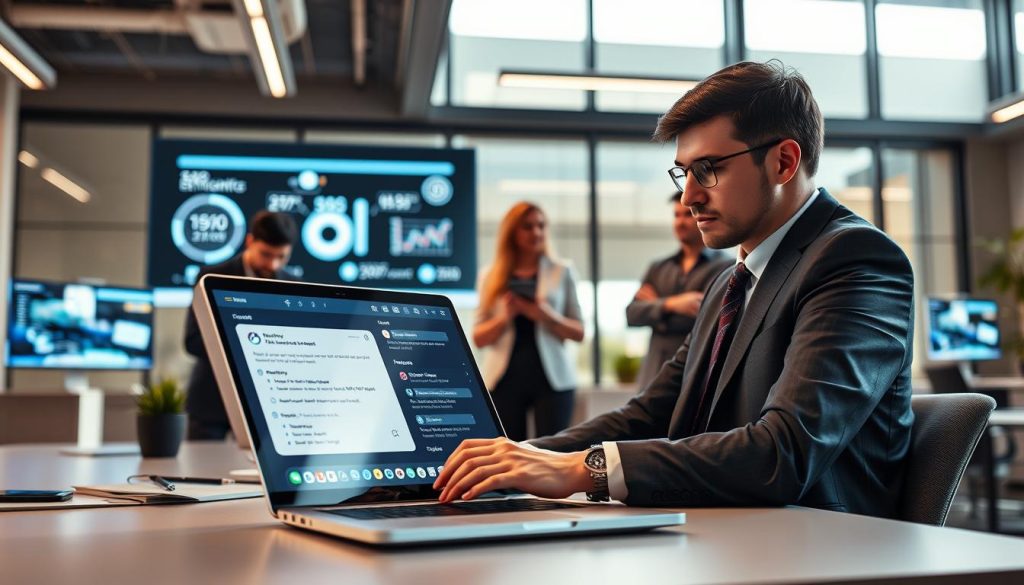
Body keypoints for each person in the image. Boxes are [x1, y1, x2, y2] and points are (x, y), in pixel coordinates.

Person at [434, 60, 916, 519]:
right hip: (728, 533)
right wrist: (515, 458)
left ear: (784, 162)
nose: (689, 196)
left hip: (825, 546)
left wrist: (583, 469)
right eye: (684, 173)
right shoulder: (728, 284)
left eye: (708, 169)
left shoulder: (855, 259)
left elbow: (784, 452)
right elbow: (650, 413)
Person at [474, 202, 585, 442]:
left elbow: (579, 333)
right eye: (527, 226)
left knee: (552, 451)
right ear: (511, 232)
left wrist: (545, 315)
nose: (536, 232)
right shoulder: (490, 276)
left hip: (553, 380)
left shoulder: (562, 271)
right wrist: (505, 317)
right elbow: (478, 338)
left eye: (541, 226)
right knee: (507, 452)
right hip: (503, 379)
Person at [183, 210, 298, 440]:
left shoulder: (293, 286)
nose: (273, 264)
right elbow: (192, 341)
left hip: (267, 406)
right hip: (211, 401)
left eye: (281, 257)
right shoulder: (211, 277)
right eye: (266, 254)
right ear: (250, 241)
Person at [627, 193, 732, 389]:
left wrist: (654, 308)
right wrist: (672, 304)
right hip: (653, 373)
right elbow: (632, 314)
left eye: (687, 214)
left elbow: (707, 320)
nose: (680, 222)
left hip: (696, 374)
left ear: (702, 216)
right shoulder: (658, 267)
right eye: (676, 215)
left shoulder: (726, 267)